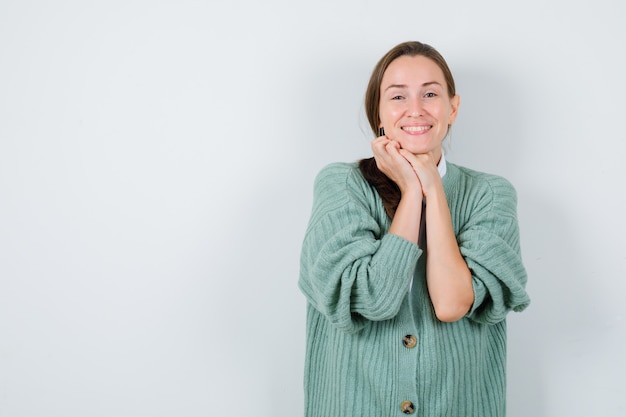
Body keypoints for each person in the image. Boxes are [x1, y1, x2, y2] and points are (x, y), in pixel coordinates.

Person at [298, 41, 531, 417]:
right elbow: (373, 298)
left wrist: (432, 188)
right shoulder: (340, 185)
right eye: (397, 96)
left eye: (430, 94)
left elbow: (453, 303)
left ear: (452, 108)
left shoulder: (491, 194)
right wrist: (411, 191)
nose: (415, 109)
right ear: (379, 112)